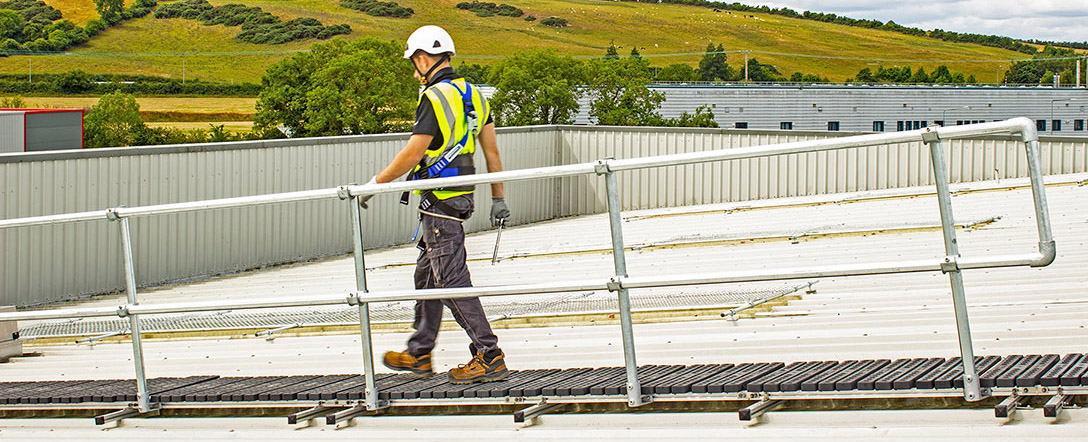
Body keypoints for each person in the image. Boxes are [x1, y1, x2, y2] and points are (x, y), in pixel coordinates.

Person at [368, 25, 511, 384]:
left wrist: (374, 184)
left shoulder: (433, 97)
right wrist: (498, 198)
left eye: (414, 64)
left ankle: (489, 354)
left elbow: (414, 151)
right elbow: (491, 152)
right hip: (462, 197)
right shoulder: (474, 95)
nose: (415, 72)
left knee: (449, 279)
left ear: (422, 58)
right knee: (427, 276)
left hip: (439, 204)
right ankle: (419, 353)